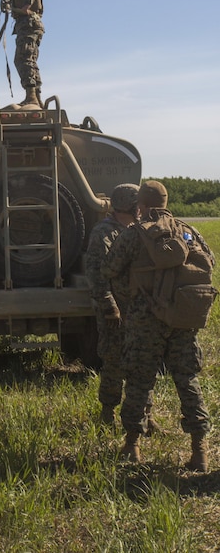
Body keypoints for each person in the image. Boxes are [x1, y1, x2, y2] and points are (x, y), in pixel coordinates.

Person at [102, 181, 212, 471]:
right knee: (187, 379)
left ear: (141, 204)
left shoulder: (133, 233)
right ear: (165, 200)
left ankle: (132, 446)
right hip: (181, 317)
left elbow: (109, 268)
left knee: (139, 380)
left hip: (144, 317)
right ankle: (200, 451)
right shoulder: (187, 231)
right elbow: (209, 261)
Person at [85, 183, 156, 428]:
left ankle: (146, 415)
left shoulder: (139, 230)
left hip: (139, 310)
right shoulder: (104, 232)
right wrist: (109, 306)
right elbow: (96, 274)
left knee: (144, 362)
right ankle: (108, 413)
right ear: (134, 207)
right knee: (114, 361)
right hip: (115, 310)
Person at [2, 0, 44, 106]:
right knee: (26, 59)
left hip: (29, 24)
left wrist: (27, 5)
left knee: (24, 59)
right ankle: (36, 98)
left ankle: (32, 96)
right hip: (25, 25)